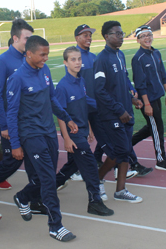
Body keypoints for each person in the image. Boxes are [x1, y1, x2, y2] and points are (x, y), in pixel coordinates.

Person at [8, 35, 77, 242]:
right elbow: (11, 113)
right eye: (42, 54)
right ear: (28, 54)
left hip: (48, 132)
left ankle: (22, 197)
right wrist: (15, 144)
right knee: (48, 179)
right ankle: (56, 225)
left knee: (44, 177)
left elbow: (52, 98)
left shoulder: (45, 71)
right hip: (30, 134)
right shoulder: (17, 78)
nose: (46, 58)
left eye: (47, 54)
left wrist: (67, 117)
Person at [0, 19, 34, 204]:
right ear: (15, 38)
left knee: (35, 156)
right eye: (27, 38)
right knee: (14, 160)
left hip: (29, 120)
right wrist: (3, 125)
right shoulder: (3, 61)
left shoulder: (29, 57)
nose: (30, 42)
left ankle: (35, 196)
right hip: (12, 121)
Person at [55, 46, 114, 216]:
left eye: (79, 59)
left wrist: (89, 127)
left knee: (70, 168)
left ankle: (41, 191)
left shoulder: (81, 81)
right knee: (90, 167)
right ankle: (95, 202)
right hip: (73, 135)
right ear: (65, 63)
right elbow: (60, 115)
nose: (77, 62)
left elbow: (85, 103)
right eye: (73, 59)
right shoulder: (62, 87)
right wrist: (66, 138)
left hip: (82, 130)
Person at [94, 21, 144, 203]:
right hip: (112, 115)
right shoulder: (101, 59)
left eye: (122, 33)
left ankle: (120, 190)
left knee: (125, 151)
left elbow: (123, 79)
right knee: (120, 150)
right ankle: (96, 180)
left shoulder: (120, 55)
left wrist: (132, 98)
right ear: (106, 37)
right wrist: (119, 109)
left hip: (126, 112)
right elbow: (99, 90)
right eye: (117, 34)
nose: (121, 36)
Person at [131, 25, 166, 171]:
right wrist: (147, 104)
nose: (147, 38)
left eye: (149, 35)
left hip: (157, 96)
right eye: (143, 36)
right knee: (157, 128)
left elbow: (163, 75)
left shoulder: (156, 53)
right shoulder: (137, 58)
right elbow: (140, 84)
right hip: (148, 100)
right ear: (138, 40)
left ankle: (125, 144)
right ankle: (161, 159)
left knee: (152, 127)